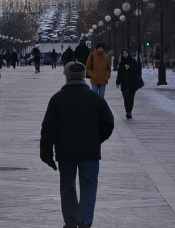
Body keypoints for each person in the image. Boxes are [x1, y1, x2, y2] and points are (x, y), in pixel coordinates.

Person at [40, 61, 114, 228]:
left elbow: (48, 128)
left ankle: (71, 221)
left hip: (66, 152)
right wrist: (96, 139)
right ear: (83, 77)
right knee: (89, 184)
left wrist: (46, 153)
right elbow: (108, 123)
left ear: (66, 78)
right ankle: (85, 220)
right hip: (90, 151)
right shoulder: (96, 98)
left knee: (67, 186)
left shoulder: (58, 99)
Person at [115, 48, 142, 119]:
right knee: (126, 98)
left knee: (131, 99)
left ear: (128, 54)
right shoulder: (121, 63)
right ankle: (127, 112)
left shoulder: (133, 61)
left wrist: (130, 67)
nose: (125, 55)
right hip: (124, 83)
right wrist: (117, 82)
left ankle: (130, 111)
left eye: (126, 53)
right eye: (123, 53)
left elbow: (137, 71)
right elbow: (119, 73)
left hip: (132, 83)